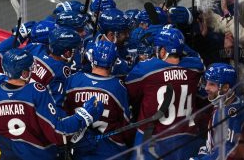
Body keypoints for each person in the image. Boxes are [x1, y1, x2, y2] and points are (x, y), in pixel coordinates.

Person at [0, 48, 104, 160]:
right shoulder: (35, 92)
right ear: (24, 73)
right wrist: (83, 116)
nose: (32, 71)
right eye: (30, 68)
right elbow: (58, 132)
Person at [126, 27, 205, 160]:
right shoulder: (195, 67)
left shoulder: (146, 69)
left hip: (154, 138)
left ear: (162, 51)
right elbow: (197, 59)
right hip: (186, 138)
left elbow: (130, 94)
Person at [64, 41, 132, 160]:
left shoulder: (73, 80)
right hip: (111, 150)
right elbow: (125, 123)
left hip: (79, 149)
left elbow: (64, 114)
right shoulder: (117, 87)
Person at [0, 27, 81, 114]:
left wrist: (18, 37)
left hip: (7, 103)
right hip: (30, 115)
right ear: (67, 53)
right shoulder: (59, 72)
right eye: (74, 50)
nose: (76, 52)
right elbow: (55, 108)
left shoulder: (35, 48)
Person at [191, 63, 244, 160]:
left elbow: (226, 153)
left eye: (212, 84)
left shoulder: (231, 114)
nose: (206, 88)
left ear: (225, 87)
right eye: (206, 83)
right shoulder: (222, 104)